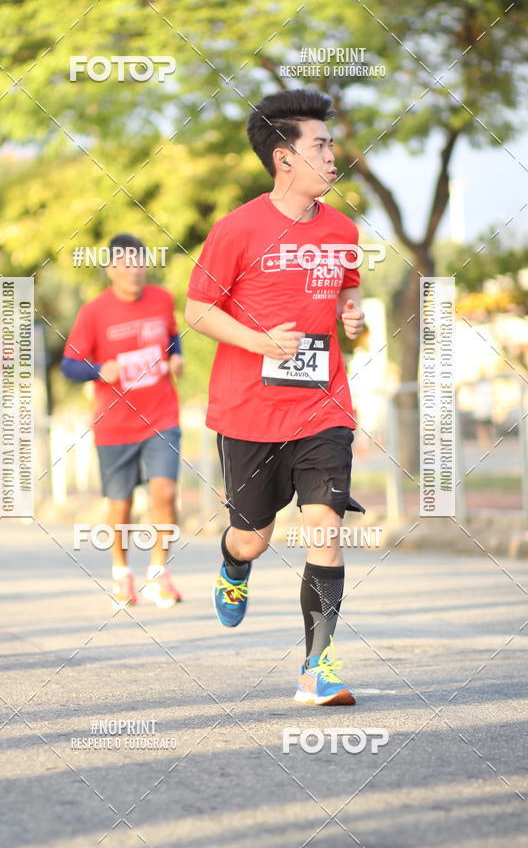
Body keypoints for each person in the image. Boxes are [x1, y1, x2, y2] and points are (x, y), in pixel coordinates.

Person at [185, 89, 366, 705]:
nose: (332, 154)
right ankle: (234, 567)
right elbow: (199, 311)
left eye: (331, 142)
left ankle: (318, 668)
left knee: (325, 524)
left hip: (323, 407)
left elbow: (344, 290)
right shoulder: (237, 229)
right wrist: (262, 342)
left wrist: (353, 314)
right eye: (320, 145)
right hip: (249, 410)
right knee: (253, 536)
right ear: (285, 158)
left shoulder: (343, 229)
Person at [62, 233, 183, 608]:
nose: (134, 271)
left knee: (164, 492)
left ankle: (159, 574)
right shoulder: (93, 312)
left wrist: (177, 357)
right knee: (121, 505)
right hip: (114, 424)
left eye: (140, 263)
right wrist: (100, 370)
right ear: (111, 269)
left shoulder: (162, 299)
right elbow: (68, 365)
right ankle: (121, 574)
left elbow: (173, 338)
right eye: (126, 265)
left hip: (161, 414)